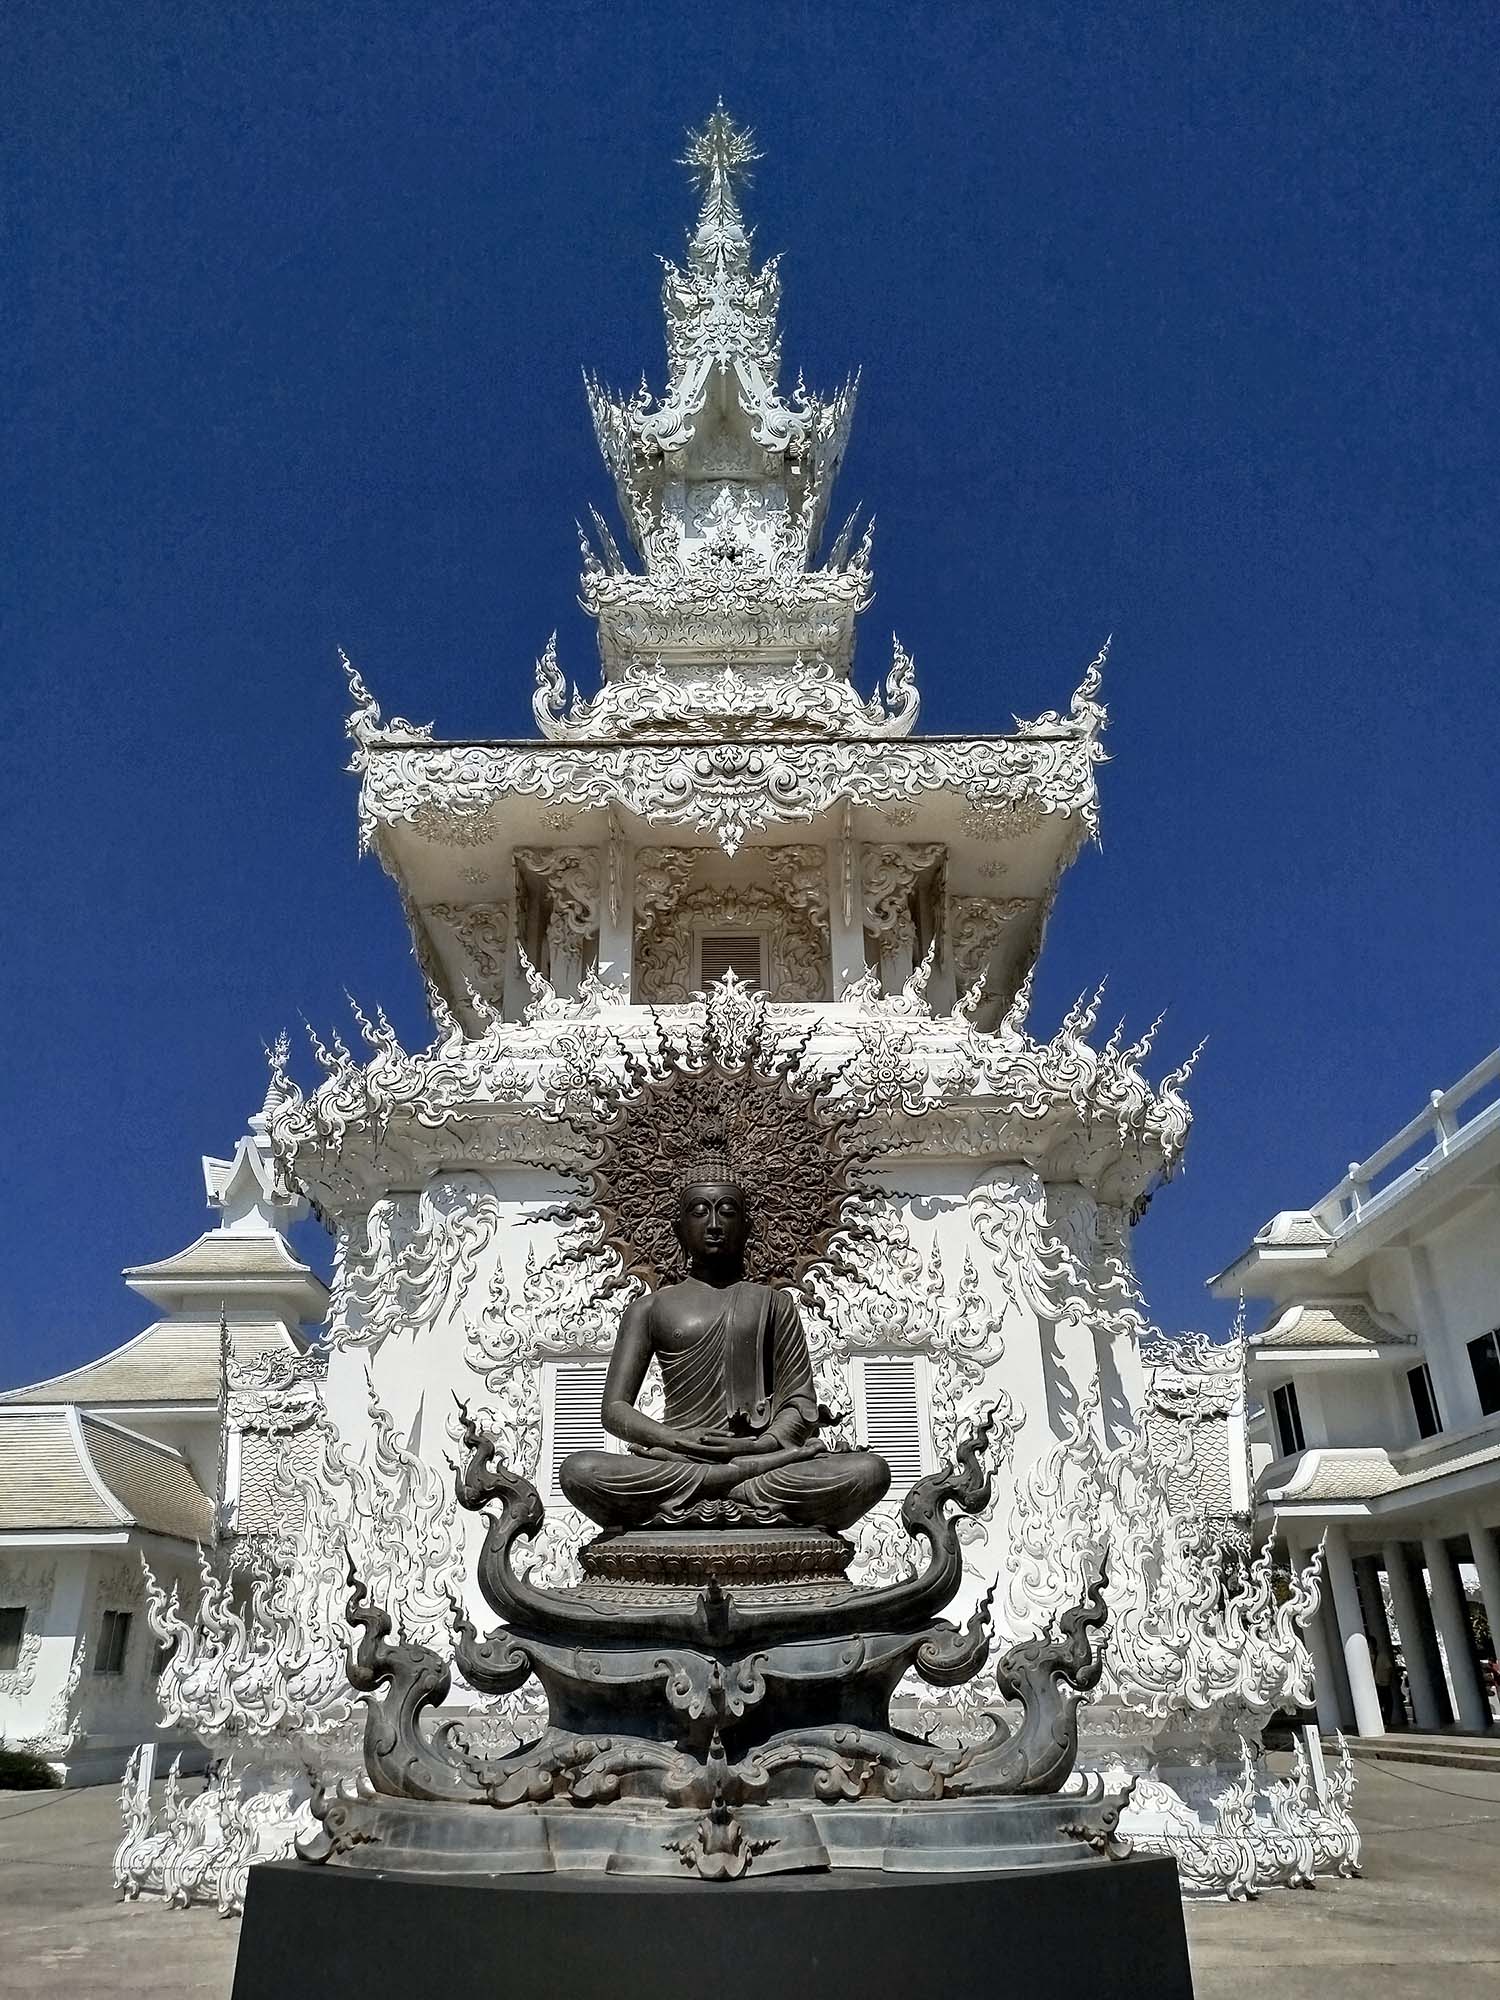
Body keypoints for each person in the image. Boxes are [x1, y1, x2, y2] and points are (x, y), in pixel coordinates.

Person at [559, 1135, 889, 1533]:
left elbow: (798, 1404)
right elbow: (614, 1410)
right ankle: (729, 1485)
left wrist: (755, 1447)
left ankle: (724, 1483)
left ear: (747, 1226)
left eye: (727, 1211)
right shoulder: (649, 1308)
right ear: (678, 1228)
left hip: (756, 1461)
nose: (714, 1225)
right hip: (679, 1460)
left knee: (868, 1471)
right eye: (699, 1212)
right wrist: (675, 1441)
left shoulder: (774, 1304)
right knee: (579, 1470)